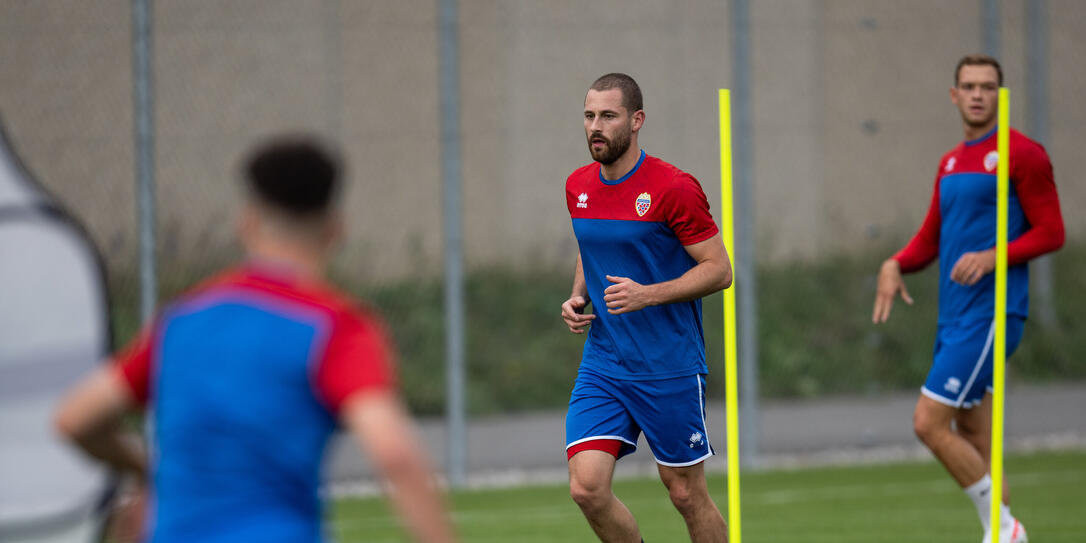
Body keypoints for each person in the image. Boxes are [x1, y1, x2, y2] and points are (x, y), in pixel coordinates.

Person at [54, 138, 457, 543]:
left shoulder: (181, 322)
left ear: (246, 223)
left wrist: (144, 469)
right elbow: (393, 452)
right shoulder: (336, 327)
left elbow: (74, 419)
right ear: (336, 231)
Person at [872, 55, 1064, 543]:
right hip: (954, 316)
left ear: (1001, 94)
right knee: (975, 434)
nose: (978, 93)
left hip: (993, 313)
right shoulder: (952, 161)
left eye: (988, 86)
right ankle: (1005, 534)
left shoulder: (1023, 154)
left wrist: (994, 256)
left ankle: (1003, 529)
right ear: (954, 95)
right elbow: (932, 238)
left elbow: (1052, 231)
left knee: (927, 422)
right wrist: (895, 263)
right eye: (969, 86)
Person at [561, 73, 732, 543]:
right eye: (589, 115)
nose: (596, 126)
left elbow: (719, 270)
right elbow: (591, 245)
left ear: (636, 121)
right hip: (605, 362)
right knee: (587, 488)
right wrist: (579, 295)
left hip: (668, 364)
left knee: (684, 493)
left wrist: (647, 294)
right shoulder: (578, 185)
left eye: (608, 116)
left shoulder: (673, 187)